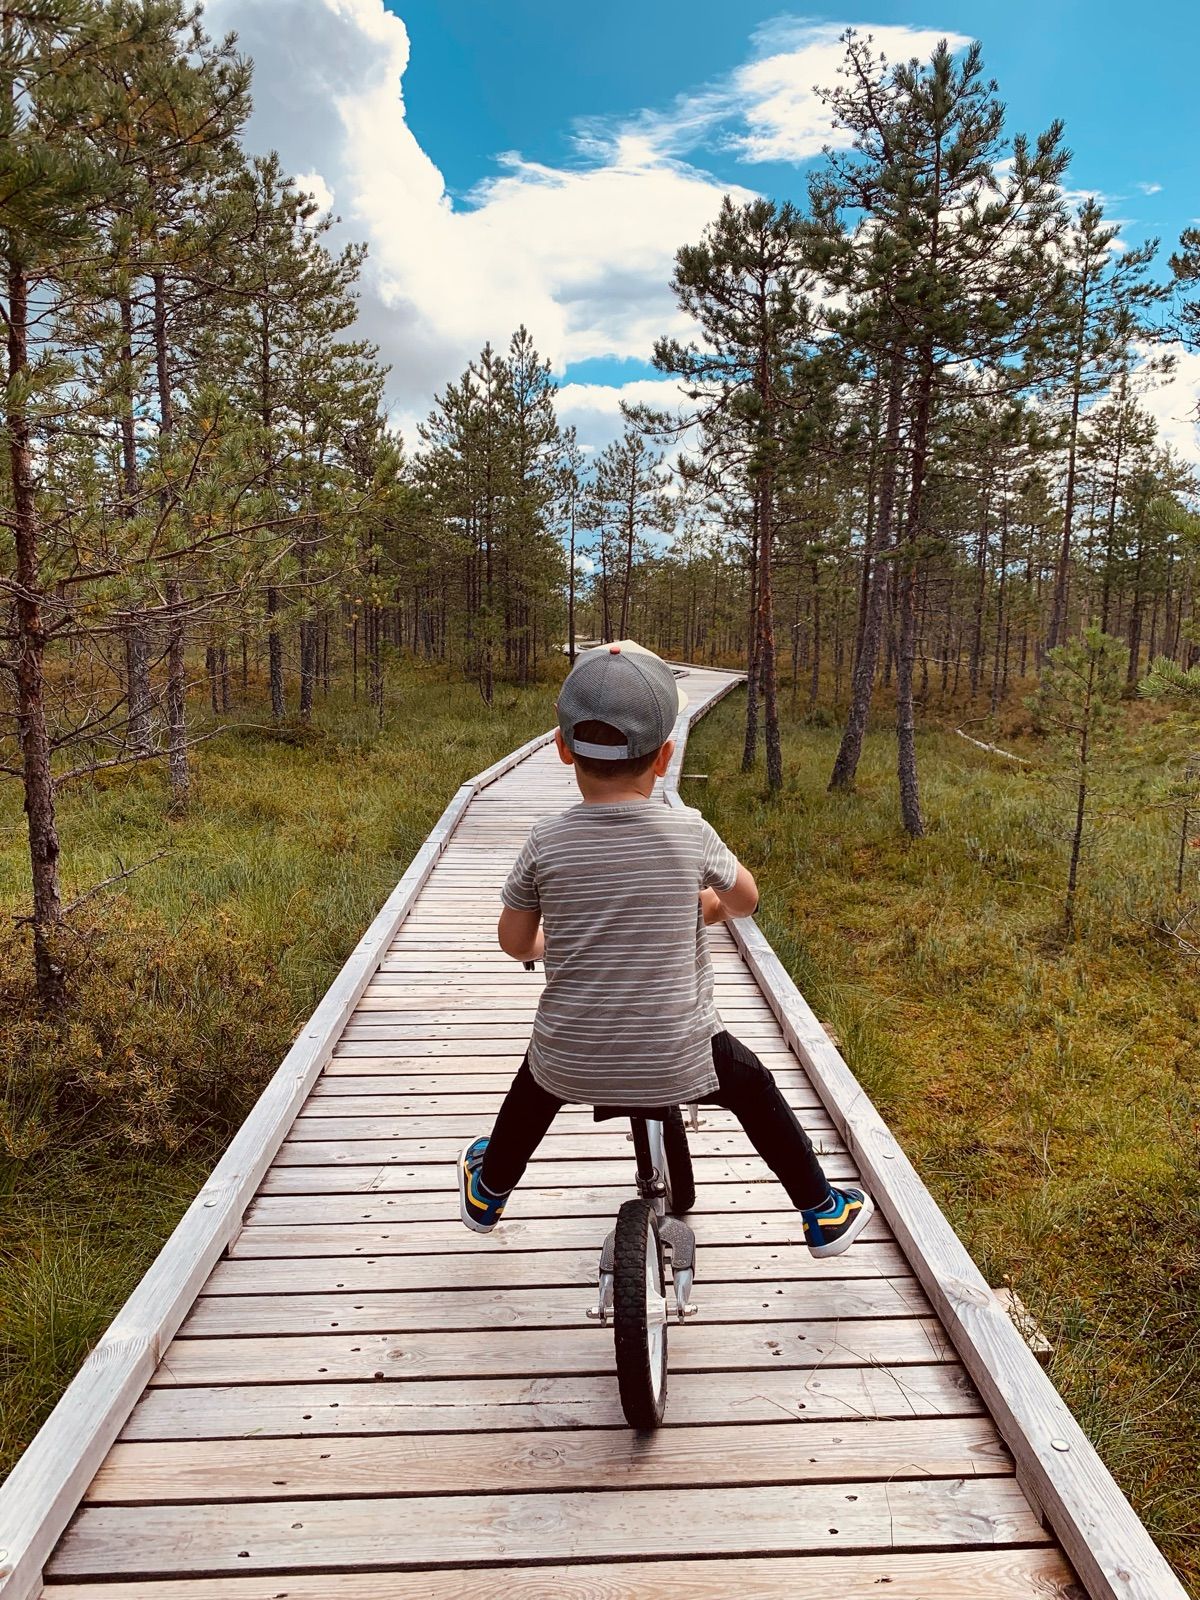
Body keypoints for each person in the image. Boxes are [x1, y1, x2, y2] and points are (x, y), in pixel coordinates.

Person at [457, 641, 873, 1259]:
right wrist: (709, 907)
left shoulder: (545, 841)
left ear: (562, 747)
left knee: (535, 1082)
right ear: (665, 756)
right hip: (681, 1055)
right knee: (753, 1085)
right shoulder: (689, 831)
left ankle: (489, 1191)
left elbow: (515, 942)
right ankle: (822, 1210)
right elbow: (745, 900)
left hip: (573, 1058)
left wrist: (549, 941)